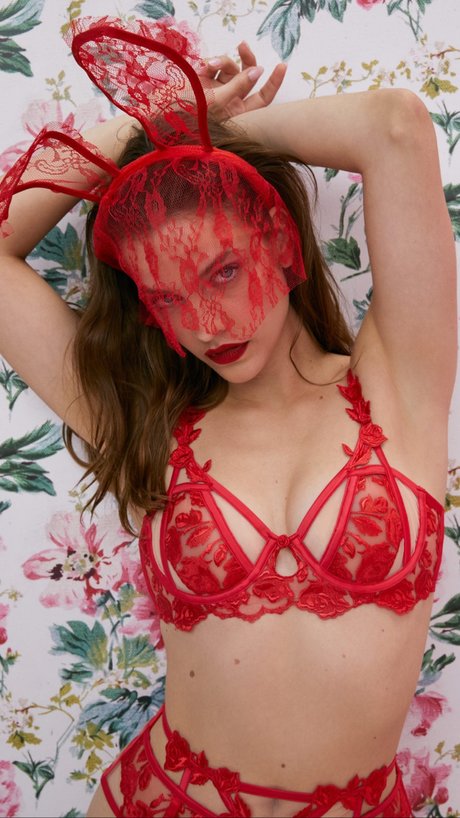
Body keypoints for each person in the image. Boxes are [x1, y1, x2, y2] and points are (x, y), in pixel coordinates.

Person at [0, 15, 456, 818]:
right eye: (169, 296)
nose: (207, 324)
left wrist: (211, 134)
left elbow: (394, 126)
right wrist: (148, 131)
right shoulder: (147, 424)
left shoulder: (399, 386)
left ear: (278, 240)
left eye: (222, 271)